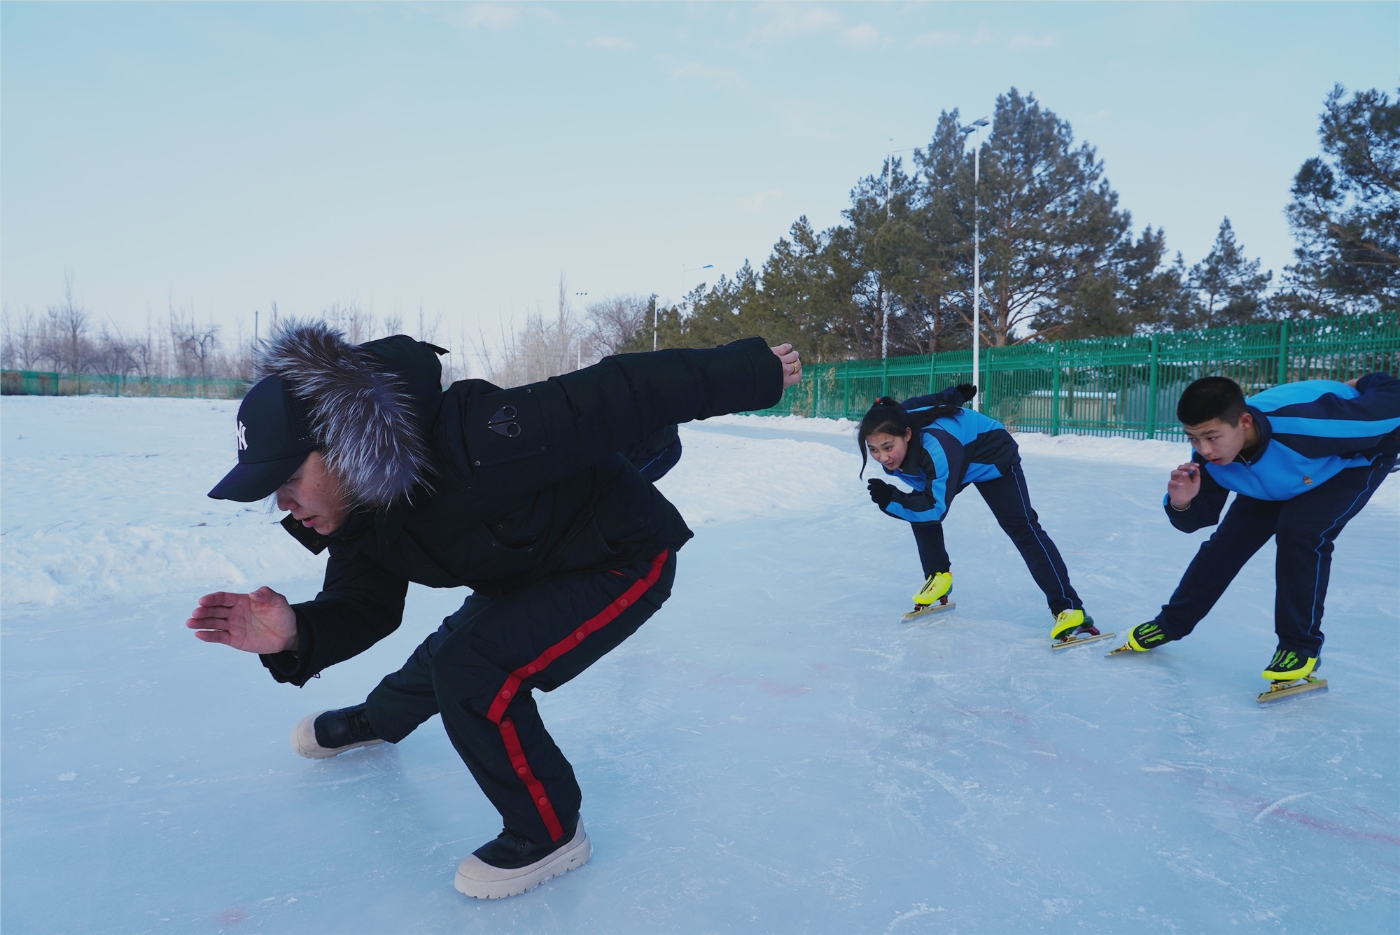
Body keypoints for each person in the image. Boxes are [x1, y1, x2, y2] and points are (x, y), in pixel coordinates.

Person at [185, 321, 802, 900]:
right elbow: (366, 605)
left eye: (288, 480)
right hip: (524, 567)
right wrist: (297, 631)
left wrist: (751, 370)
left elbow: (619, 392)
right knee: (446, 656)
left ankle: (550, 831)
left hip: (618, 555)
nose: (283, 504)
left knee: (473, 670)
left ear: (341, 446)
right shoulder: (356, 510)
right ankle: (379, 719)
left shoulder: (474, 436)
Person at [1116, 373, 1400, 682]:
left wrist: (1363, 382)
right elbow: (1198, 519)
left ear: (1245, 422)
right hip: (1277, 479)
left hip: (1349, 465)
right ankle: (1172, 623)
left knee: (1300, 531)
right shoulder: (1211, 456)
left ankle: (1299, 647)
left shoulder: (1313, 423)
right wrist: (1181, 502)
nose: (1204, 449)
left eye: (1212, 437)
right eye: (1193, 438)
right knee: (1225, 545)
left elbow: (1393, 399)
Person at [858, 387, 1095, 642]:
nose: (882, 457)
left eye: (888, 447)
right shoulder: (894, 416)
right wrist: (953, 395)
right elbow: (927, 401)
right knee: (919, 504)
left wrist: (892, 500)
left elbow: (935, 509)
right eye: (874, 450)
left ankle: (1069, 608)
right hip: (957, 452)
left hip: (991, 453)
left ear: (907, 434)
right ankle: (938, 576)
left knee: (1021, 527)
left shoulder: (937, 448)